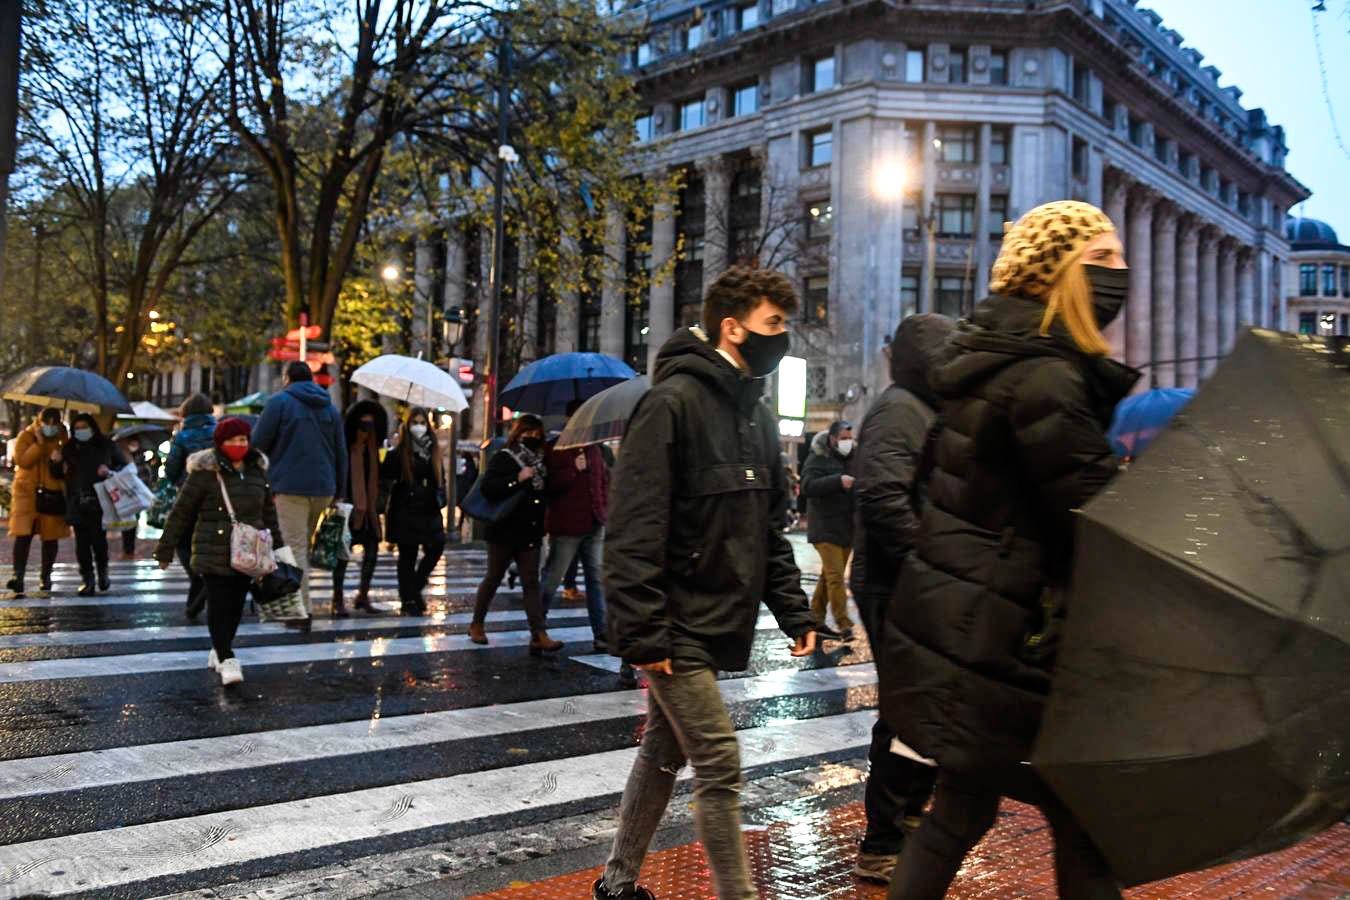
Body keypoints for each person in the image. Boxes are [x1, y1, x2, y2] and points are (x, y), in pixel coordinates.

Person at [879, 201, 1135, 900]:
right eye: (1102, 258)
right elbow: (1092, 518)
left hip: (977, 631)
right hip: (1011, 639)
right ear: (1057, 272)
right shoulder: (1047, 378)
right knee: (1076, 824)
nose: (1121, 272)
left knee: (958, 814)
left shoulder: (997, 363)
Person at [595, 266, 818, 900]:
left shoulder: (756, 416)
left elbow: (766, 529)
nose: (782, 338)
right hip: (672, 621)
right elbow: (633, 529)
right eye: (773, 324)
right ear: (732, 325)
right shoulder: (672, 405)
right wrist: (642, 632)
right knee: (719, 761)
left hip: (716, 618)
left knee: (665, 750)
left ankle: (617, 884)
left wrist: (795, 613)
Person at [848, 313, 955, 884]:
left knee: (925, 710)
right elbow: (886, 496)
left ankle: (908, 817)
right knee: (906, 711)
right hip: (895, 584)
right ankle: (883, 840)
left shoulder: (924, 408)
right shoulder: (899, 410)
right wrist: (932, 559)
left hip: (915, 580)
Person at [154, 417, 285, 686]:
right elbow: (181, 513)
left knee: (236, 605)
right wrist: (165, 550)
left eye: (244, 440)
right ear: (220, 443)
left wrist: (279, 549)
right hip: (212, 549)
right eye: (233, 440)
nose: (240, 445)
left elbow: (268, 513)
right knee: (218, 603)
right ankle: (227, 657)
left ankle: (220, 647)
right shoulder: (204, 473)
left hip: (249, 553)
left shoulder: (256, 471)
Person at [252, 361, 347, 629]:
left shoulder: (279, 403)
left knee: (293, 548)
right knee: (302, 545)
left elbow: (258, 443)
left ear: (287, 378)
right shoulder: (329, 407)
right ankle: (300, 605)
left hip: (290, 486)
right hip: (324, 487)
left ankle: (299, 610)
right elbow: (341, 451)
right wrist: (340, 489)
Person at [467, 415, 562, 655]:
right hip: (504, 530)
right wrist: (517, 479)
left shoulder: (542, 462)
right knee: (494, 577)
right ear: (517, 434)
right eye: (527, 434)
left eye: (536, 435)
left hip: (530, 530)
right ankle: (476, 624)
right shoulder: (505, 457)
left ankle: (538, 634)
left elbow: (548, 493)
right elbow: (489, 488)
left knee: (531, 582)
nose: (532, 438)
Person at [539, 400, 612, 651]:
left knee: (596, 579)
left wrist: (604, 509)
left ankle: (601, 633)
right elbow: (548, 486)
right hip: (567, 525)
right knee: (552, 578)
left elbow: (602, 482)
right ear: (569, 418)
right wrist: (573, 469)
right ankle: (538, 629)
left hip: (595, 522)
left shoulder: (596, 448)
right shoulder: (556, 447)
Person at [51, 413, 128, 596]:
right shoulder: (68, 448)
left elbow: (122, 466)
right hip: (77, 499)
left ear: (92, 427)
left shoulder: (106, 445)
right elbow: (57, 474)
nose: (80, 431)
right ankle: (88, 579)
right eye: (76, 428)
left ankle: (103, 572)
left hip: (100, 499)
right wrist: (55, 461)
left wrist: (108, 470)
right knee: (82, 544)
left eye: (83, 427)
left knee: (99, 541)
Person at [381, 407, 447, 616]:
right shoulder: (399, 453)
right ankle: (407, 599)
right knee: (407, 556)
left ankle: (415, 588)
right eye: (414, 422)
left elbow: (440, 480)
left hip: (429, 509)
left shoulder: (433, 451)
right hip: (405, 510)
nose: (418, 427)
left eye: (422, 422)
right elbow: (386, 478)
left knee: (437, 547)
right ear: (407, 426)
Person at [799, 420, 857, 641]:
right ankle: (844, 624)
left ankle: (815, 619)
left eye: (849, 438)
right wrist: (837, 481)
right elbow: (808, 486)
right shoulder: (818, 457)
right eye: (843, 438)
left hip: (846, 528)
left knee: (828, 576)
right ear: (832, 438)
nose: (847, 442)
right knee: (835, 578)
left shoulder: (852, 460)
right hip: (825, 527)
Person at [162, 393, 218, 619]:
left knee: (184, 541)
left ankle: (199, 579)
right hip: (219, 496)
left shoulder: (183, 437)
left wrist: (179, 482)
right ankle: (204, 584)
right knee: (212, 541)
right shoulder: (220, 433)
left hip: (190, 494)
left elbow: (170, 470)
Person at [5, 408, 70, 597]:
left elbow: (67, 468)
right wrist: (40, 445)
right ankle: (18, 576)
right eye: (46, 422)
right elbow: (22, 461)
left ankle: (46, 576)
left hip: (52, 493)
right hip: (27, 494)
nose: (50, 427)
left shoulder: (62, 440)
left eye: (54, 423)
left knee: (51, 537)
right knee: (23, 536)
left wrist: (58, 460)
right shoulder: (26, 436)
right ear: (39, 421)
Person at [333, 400, 388, 616]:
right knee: (342, 556)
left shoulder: (376, 451)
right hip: (349, 508)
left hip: (370, 510)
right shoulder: (346, 448)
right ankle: (337, 598)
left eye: (371, 425)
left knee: (372, 553)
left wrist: (380, 498)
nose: (367, 429)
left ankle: (363, 595)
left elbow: (383, 477)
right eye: (363, 424)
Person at [116, 435, 156, 559]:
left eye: (135, 443)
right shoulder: (122, 457)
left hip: (140, 493)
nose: (133, 445)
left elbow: (147, 473)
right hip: (127, 493)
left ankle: (129, 550)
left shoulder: (142, 457)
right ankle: (128, 550)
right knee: (129, 521)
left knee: (133, 521)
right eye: (131, 443)